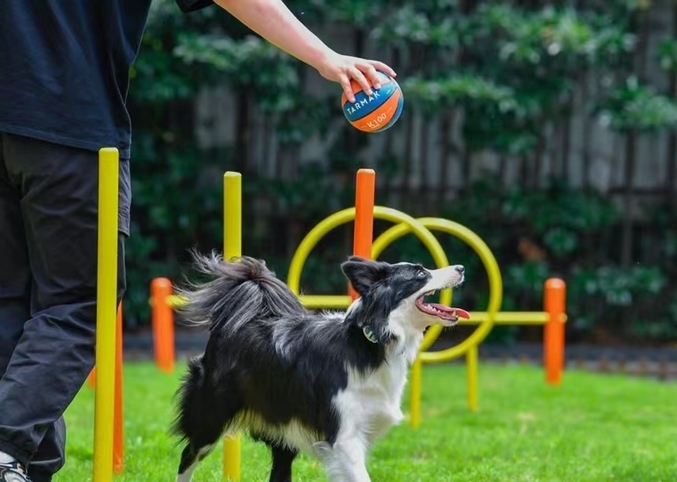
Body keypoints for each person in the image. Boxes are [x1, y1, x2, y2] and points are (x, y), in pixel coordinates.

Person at [0, 0, 396, 480]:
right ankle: (7, 448)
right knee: (79, 304)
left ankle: (23, 466)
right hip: (68, 126)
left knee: (11, 305)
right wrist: (326, 58)